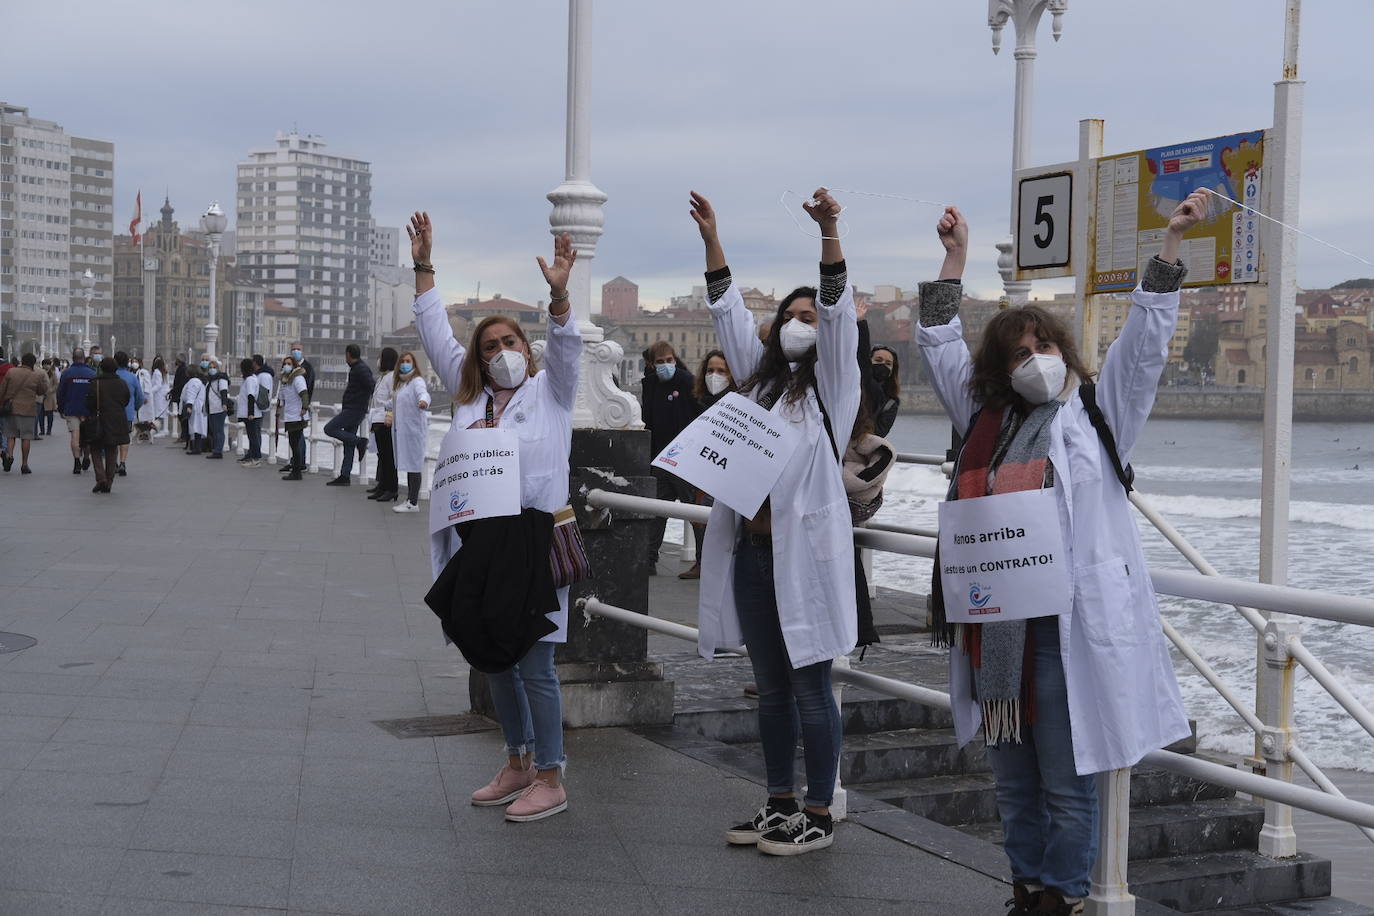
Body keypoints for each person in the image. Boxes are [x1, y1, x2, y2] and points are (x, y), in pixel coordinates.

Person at [917, 197, 1203, 916]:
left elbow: (1145, 346)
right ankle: (1026, 889)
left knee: (1068, 782)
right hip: (1000, 635)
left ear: (1065, 353)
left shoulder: (1100, 415)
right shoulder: (985, 417)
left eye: (1045, 347)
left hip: (1070, 632)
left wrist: (1169, 245)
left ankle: (1065, 897)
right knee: (1013, 781)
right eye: (1019, 352)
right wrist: (953, 259)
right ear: (1000, 367)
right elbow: (937, 341)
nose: (1036, 360)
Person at [689, 189, 859, 855]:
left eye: (809, 316)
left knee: (813, 689)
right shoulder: (756, 388)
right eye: (789, 315)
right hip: (755, 560)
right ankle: (778, 802)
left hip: (805, 562)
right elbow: (728, 313)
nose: (800, 323)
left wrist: (829, 234)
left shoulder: (833, 393)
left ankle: (819, 812)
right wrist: (712, 239)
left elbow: (840, 312)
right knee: (770, 691)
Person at [410, 210, 580, 822]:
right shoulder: (470, 399)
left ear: (525, 349)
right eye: (490, 346)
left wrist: (560, 296)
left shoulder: (551, 394)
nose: (501, 352)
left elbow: (567, 345)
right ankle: (517, 760)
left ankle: (551, 776)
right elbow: (436, 337)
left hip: (533, 541)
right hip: (480, 543)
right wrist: (425, 267)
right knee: (493, 656)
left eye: (510, 342)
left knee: (535, 661)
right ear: (478, 360)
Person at [641, 340, 702, 573]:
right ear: (651, 364)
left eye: (670, 360)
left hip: (685, 460)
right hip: (661, 460)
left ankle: (702, 561)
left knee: (694, 512)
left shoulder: (687, 382)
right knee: (657, 512)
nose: (666, 365)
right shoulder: (651, 385)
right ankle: (648, 561)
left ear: (675, 360)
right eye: (660, 362)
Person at [679, 349, 736, 579]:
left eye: (721, 371)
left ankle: (717, 565)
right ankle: (702, 563)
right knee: (699, 518)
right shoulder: (699, 401)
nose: (715, 375)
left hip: (725, 472)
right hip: (700, 469)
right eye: (711, 370)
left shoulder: (736, 403)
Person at [325, 343, 375, 486]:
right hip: (354, 408)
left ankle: (360, 441)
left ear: (348, 354)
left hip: (354, 410)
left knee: (329, 429)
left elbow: (372, 386)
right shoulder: (357, 368)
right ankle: (345, 476)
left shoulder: (361, 369)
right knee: (348, 442)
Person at [388, 350, 430, 512]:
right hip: (403, 432)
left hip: (413, 431)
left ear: (413, 364)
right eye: (403, 361)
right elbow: (396, 401)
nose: (405, 364)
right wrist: (383, 406)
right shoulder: (401, 384)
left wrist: (423, 401)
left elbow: (423, 394)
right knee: (409, 464)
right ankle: (410, 499)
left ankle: (413, 502)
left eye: (408, 361)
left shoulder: (416, 381)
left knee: (415, 465)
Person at [84, 357, 131, 493]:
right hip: (117, 420)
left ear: (101, 368)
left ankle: (101, 478)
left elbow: (89, 403)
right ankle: (109, 481)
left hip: (98, 420)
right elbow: (126, 400)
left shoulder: (95, 383)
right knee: (112, 450)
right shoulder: (122, 383)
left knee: (95, 449)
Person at [0, 353, 49, 474]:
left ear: (22, 361)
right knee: (26, 437)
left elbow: (2, 389)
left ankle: (10, 456)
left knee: (11, 435)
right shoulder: (35, 376)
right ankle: (24, 464)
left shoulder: (11, 372)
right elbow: (41, 391)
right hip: (28, 410)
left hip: (11, 409)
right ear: (33, 363)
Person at [56, 348, 97, 475]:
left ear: (73, 358)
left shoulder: (67, 373)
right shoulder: (92, 373)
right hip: (88, 410)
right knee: (88, 436)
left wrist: (61, 409)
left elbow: (60, 393)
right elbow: (96, 393)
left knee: (75, 435)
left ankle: (76, 461)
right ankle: (86, 457)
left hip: (72, 409)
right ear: (84, 358)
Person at [366, 348, 399, 501]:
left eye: (380, 357)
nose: (378, 360)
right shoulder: (382, 377)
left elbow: (394, 398)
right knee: (382, 456)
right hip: (377, 419)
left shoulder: (392, 377)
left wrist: (386, 408)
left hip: (385, 420)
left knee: (388, 456)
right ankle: (383, 486)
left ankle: (391, 488)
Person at [278, 355, 310, 480]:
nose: (287, 366)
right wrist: (279, 405)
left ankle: (297, 472)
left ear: (294, 365)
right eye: (285, 363)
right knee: (293, 443)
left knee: (295, 444)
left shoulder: (298, 379)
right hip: (289, 416)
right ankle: (296, 470)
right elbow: (283, 397)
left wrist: (304, 408)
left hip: (298, 416)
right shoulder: (285, 380)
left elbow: (304, 394)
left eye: (289, 363)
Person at [113, 352, 145, 476]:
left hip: (112, 413)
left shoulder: (111, 376)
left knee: (114, 438)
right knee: (125, 438)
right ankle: (123, 462)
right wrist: (134, 407)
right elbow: (140, 397)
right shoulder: (132, 377)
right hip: (127, 413)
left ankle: (114, 462)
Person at [868, 345, 901, 438]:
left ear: (892, 371)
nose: (882, 365)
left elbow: (879, 433)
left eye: (888, 363)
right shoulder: (853, 388)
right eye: (878, 360)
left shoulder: (891, 403)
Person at [236, 358, 263, 467]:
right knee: (252, 436)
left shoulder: (250, 380)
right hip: (251, 413)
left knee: (253, 437)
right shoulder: (251, 379)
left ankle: (256, 459)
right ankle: (252, 456)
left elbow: (250, 396)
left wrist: (250, 413)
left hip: (252, 413)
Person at [204, 357, 230, 459]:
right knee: (214, 430)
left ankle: (218, 451)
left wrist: (224, 404)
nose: (212, 369)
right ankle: (215, 449)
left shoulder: (221, 379)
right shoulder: (209, 380)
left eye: (214, 367)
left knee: (219, 430)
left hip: (219, 408)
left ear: (217, 368)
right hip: (211, 409)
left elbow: (224, 392)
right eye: (210, 367)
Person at [182, 360, 207, 455]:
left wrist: (189, 405)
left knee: (196, 427)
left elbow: (191, 394)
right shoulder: (199, 381)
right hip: (199, 406)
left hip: (196, 407)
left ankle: (196, 448)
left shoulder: (193, 381)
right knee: (197, 427)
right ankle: (196, 447)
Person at [168, 357, 189, 447]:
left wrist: (173, 391)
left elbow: (180, 384)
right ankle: (184, 435)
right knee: (181, 416)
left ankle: (184, 435)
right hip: (179, 394)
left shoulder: (182, 370)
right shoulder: (182, 369)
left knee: (181, 416)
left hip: (179, 395)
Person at [40, 358, 59, 438]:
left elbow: (56, 384)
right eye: (45, 364)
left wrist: (51, 390)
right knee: (40, 415)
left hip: (50, 397)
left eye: (48, 364)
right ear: (43, 365)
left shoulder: (53, 373)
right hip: (41, 396)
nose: (46, 366)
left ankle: (49, 430)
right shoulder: (40, 373)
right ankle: (42, 430)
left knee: (50, 415)